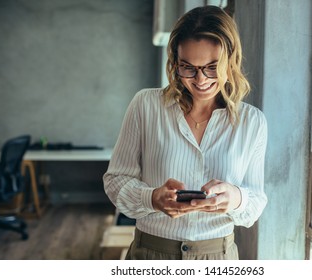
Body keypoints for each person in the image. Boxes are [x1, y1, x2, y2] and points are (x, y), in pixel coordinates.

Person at [103, 5, 267, 260]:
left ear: (231, 60)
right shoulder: (146, 105)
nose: (200, 80)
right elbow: (115, 181)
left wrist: (236, 198)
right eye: (188, 67)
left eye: (212, 67)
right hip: (151, 255)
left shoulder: (252, 121)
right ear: (175, 62)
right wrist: (153, 198)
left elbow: (255, 203)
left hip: (218, 258)